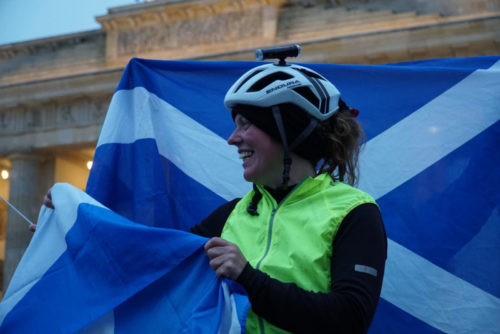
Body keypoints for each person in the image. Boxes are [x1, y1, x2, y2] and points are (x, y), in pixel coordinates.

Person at [42, 59, 387, 333]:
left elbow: (350, 318)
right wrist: (77, 230)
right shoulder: (230, 215)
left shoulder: (354, 212)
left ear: (289, 132)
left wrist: (248, 278)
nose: (232, 139)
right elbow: (150, 262)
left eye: (245, 124)